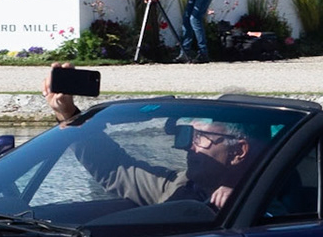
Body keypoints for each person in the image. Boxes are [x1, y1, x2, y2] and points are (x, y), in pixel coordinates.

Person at [42, 66, 253, 208]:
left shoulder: (267, 200)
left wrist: (243, 198)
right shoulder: (178, 185)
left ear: (238, 151)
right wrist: (68, 114)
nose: (190, 147)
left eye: (200, 137)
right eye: (188, 135)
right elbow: (114, 169)